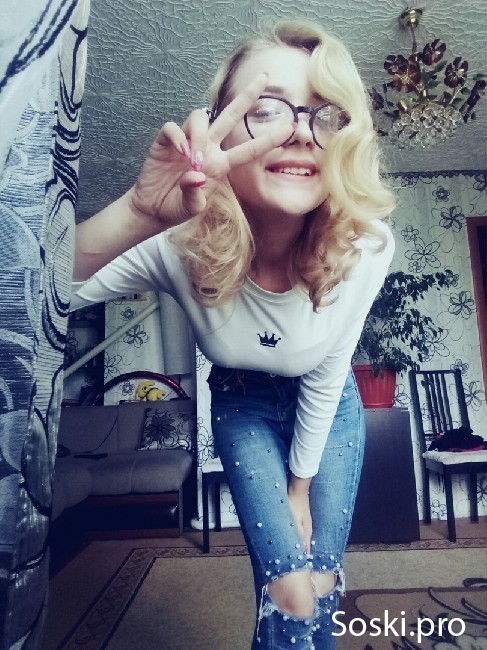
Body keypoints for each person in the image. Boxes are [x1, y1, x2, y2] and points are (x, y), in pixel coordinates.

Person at [72, 20, 395, 649]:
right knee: (289, 591)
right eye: (268, 110)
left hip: (327, 408)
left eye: (326, 113)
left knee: (320, 582)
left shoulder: (366, 246)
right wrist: (136, 214)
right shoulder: (178, 244)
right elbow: (28, 293)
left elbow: (330, 370)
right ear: (219, 129)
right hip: (242, 404)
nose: (299, 130)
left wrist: (299, 488)